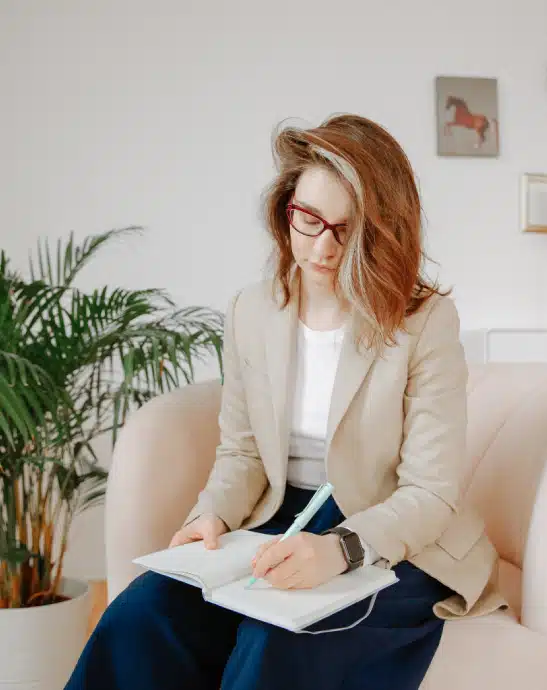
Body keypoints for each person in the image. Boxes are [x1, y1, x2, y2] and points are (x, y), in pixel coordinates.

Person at [64, 113, 507, 690]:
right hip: (275, 519)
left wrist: (340, 549)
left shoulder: (423, 321)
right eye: (308, 220)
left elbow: (430, 491)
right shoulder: (253, 309)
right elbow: (242, 451)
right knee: (139, 616)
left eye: (347, 230)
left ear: (382, 232)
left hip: (391, 535)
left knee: (278, 638)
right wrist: (212, 514)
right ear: (285, 209)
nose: (322, 247)